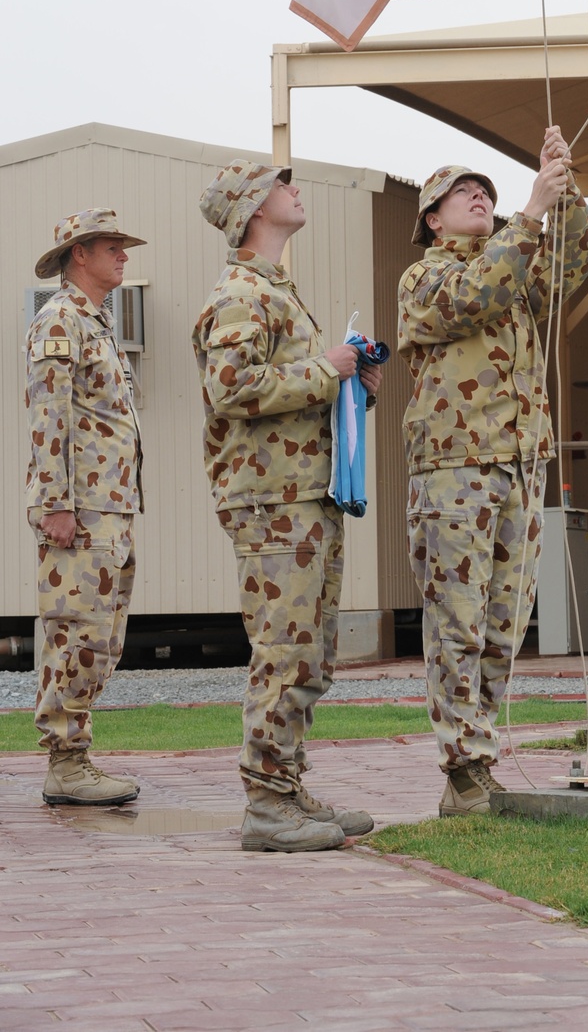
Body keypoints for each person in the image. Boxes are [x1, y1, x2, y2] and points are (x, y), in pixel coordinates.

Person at [398, 126, 588, 816]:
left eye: (486, 191)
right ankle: (464, 769)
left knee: (504, 623)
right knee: (459, 621)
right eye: (462, 193)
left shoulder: (517, 261)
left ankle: (478, 761)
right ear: (432, 218)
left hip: (517, 461)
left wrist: (565, 194)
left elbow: (565, 268)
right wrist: (530, 212)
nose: (479, 198)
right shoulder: (426, 276)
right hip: (454, 467)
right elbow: (472, 298)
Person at [193, 160, 382, 853]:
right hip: (273, 499)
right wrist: (324, 369)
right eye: (282, 185)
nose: (295, 191)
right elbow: (232, 389)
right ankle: (268, 806)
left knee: (310, 654)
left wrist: (352, 383)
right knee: (285, 651)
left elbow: (292, 389)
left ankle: (287, 784)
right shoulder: (242, 292)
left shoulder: (275, 291)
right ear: (252, 208)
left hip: (304, 493)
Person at [26, 209, 146, 806]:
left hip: (111, 507)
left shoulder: (95, 321)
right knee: (77, 631)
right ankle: (66, 764)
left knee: (103, 636)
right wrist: (55, 503)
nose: (123, 256)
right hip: (81, 509)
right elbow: (50, 416)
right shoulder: (59, 321)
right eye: (112, 247)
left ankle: (75, 758)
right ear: (80, 254)